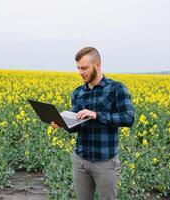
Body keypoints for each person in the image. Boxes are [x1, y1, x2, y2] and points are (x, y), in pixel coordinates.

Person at [51, 46, 135, 200]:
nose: (80, 72)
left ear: (98, 65)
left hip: (105, 162)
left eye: (84, 68)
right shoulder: (77, 93)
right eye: (78, 68)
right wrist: (62, 124)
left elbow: (128, 118)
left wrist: (97, 115)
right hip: (80, 160)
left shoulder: (116, 89)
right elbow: (76, 126)